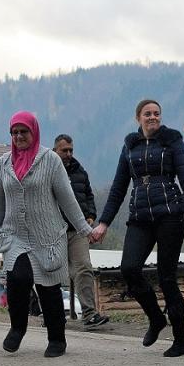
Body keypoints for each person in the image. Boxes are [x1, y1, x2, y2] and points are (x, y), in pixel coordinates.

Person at [91, 100, 184, 358]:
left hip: (170, 216)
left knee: (167, 277)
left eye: (156, 113)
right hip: (140, 217)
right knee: (129, 268)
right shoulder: (130, 145)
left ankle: (181, 340)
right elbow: (119, 187)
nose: (153, 117)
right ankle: (156, 318)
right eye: (148, 114)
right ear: (138, 118)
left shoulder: (172, 141)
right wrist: (103, 222)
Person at [0, 112, 94, 357]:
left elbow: (67, 199)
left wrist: (84, 228)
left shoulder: (50, 160)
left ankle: (57, 339)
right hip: (14, 234)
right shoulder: (3, 163)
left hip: (47, 236)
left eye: (23, 132)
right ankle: (17, 328)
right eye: (14, 132)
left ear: (34, 132)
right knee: (18, 278)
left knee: (48, 287)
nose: (18, 136)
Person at [53, 134, 108, 329]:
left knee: (84, 267)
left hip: (77, 231)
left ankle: (90, 314)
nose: (68, 154)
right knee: (52, 273)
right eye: (64, 150)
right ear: (55, 150)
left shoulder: (79, 171)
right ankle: (51, 314)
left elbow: (88, 195)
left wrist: (91, 216)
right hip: (53, 231)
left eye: (70, 150)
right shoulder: (47, 170)